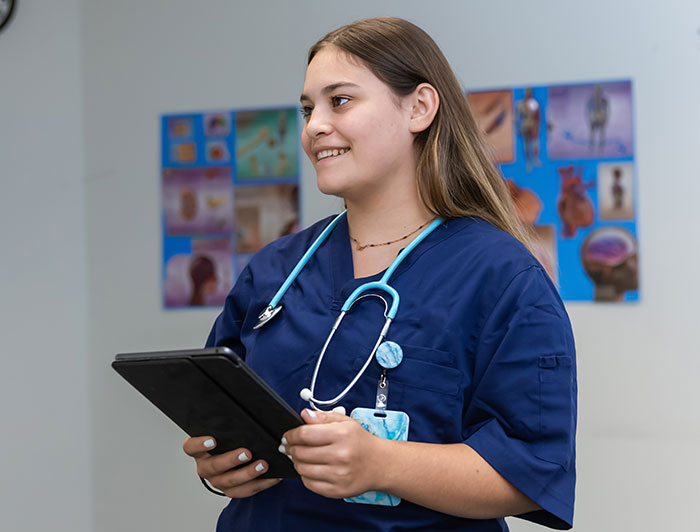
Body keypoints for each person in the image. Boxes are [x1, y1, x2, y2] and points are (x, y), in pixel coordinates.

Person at [184, 17, 577, 531]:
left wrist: (382, 464)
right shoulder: (276, 271)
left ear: (419, 108)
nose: (314, 126)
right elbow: (226, 413)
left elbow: (532, 472)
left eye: (339, 101)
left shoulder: (501, 276)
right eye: (307, 109)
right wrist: (221, 465)